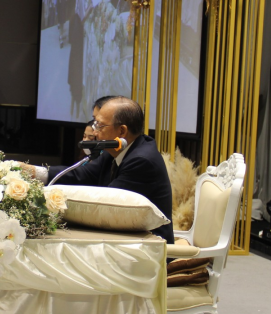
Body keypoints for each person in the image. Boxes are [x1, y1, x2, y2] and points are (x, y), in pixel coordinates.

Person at [25, 97, 174, 243]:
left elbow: (108, 206)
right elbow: (81, 175)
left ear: (122, 131)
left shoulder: (142, 161)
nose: (95, 133)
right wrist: (32, 172)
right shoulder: (114, 150)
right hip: (124, 238)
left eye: (100, 126)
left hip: (150, 247)